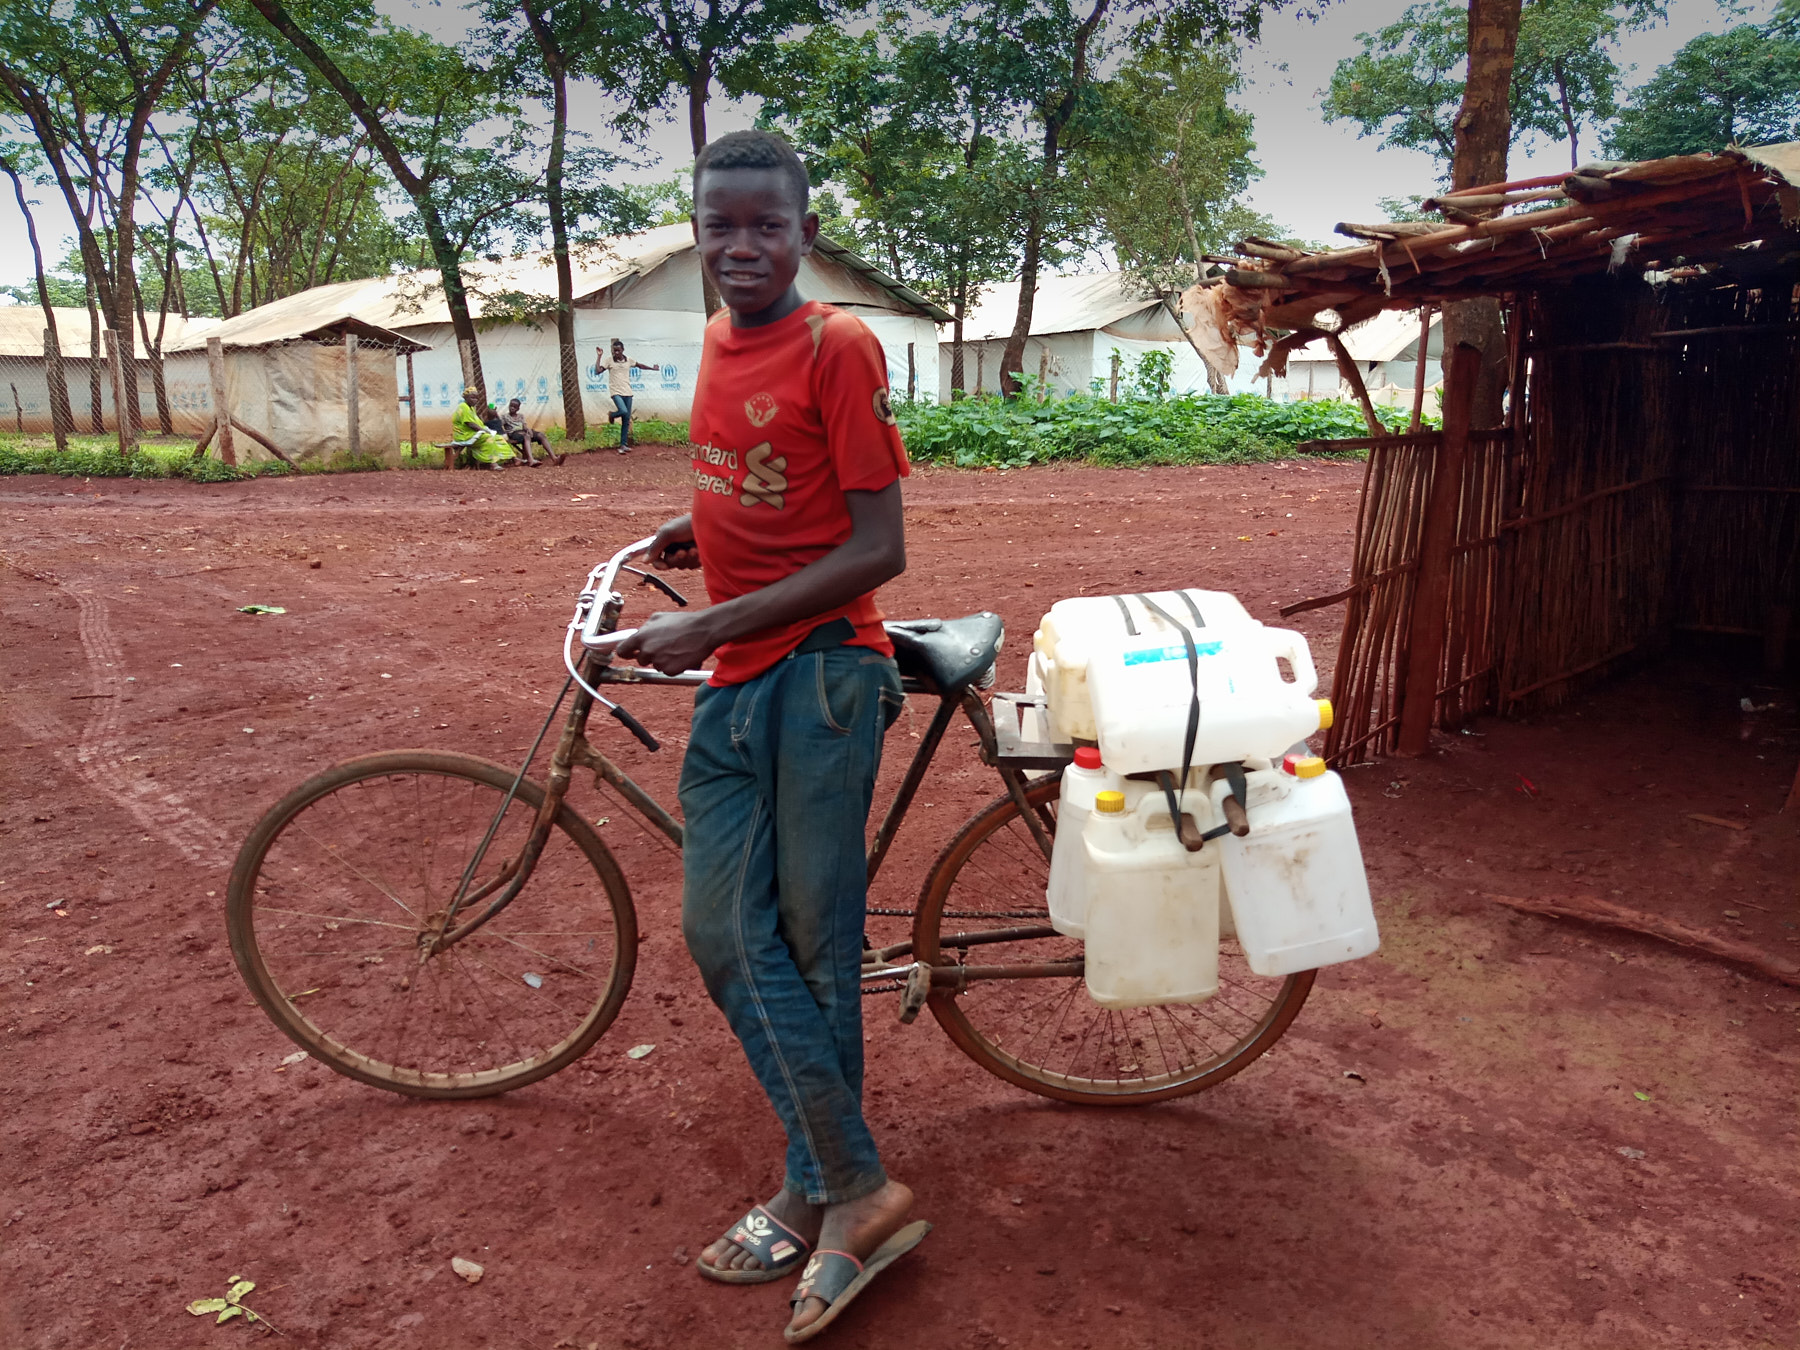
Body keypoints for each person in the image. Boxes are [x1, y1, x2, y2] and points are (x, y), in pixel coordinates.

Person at [615, 129, 925, 1345]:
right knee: (724, 931)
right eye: (720, 226)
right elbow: (765, 475)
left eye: (767, 225)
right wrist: (697, 529)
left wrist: (712, 622)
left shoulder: (837, 345)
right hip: (742, 672)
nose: (741, 246)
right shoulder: (713, 337)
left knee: (809, 943)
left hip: (824, 673)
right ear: (698, 231)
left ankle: (821, 1192)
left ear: (806, 233)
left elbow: (878, 546)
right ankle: (852, 1184)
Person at [597, 339, 658, 454]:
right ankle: (612, 415)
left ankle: (623, 445)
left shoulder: (628, 360)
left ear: (623, 350)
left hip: (628, 392)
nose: (616, 353)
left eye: (618, 350)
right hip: (616, 392)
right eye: (614, 351)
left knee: (626, 419)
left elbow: (639, 365)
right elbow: (598, 371)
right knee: (623, 411)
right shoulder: (609, 361)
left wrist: (652, 368)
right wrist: (599, 356)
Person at [450, 386, 516, 468]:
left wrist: (486, 430)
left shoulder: (471, 408)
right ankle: (492, 463)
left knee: (499, 438)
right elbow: (470, 424)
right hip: (464, 435)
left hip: (472, 433)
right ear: (466, 398)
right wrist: (484, 431)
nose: (475, 400)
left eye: (476, 398)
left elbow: (478, 423)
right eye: (472, 397)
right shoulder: (463, 407)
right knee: (488, 438)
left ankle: (512, 458)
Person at [500, 397, 564, 467]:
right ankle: (531, 460)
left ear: (518, 408)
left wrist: (528, 429)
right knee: (526, 436)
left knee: (541, 435)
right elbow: (499, 425)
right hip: (513, 434)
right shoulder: (505, 416)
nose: (512, 408)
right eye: (511, 406)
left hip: (523, 432)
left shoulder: (521, 416)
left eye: (515, 407)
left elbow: (524, 426)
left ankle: (554, 458)